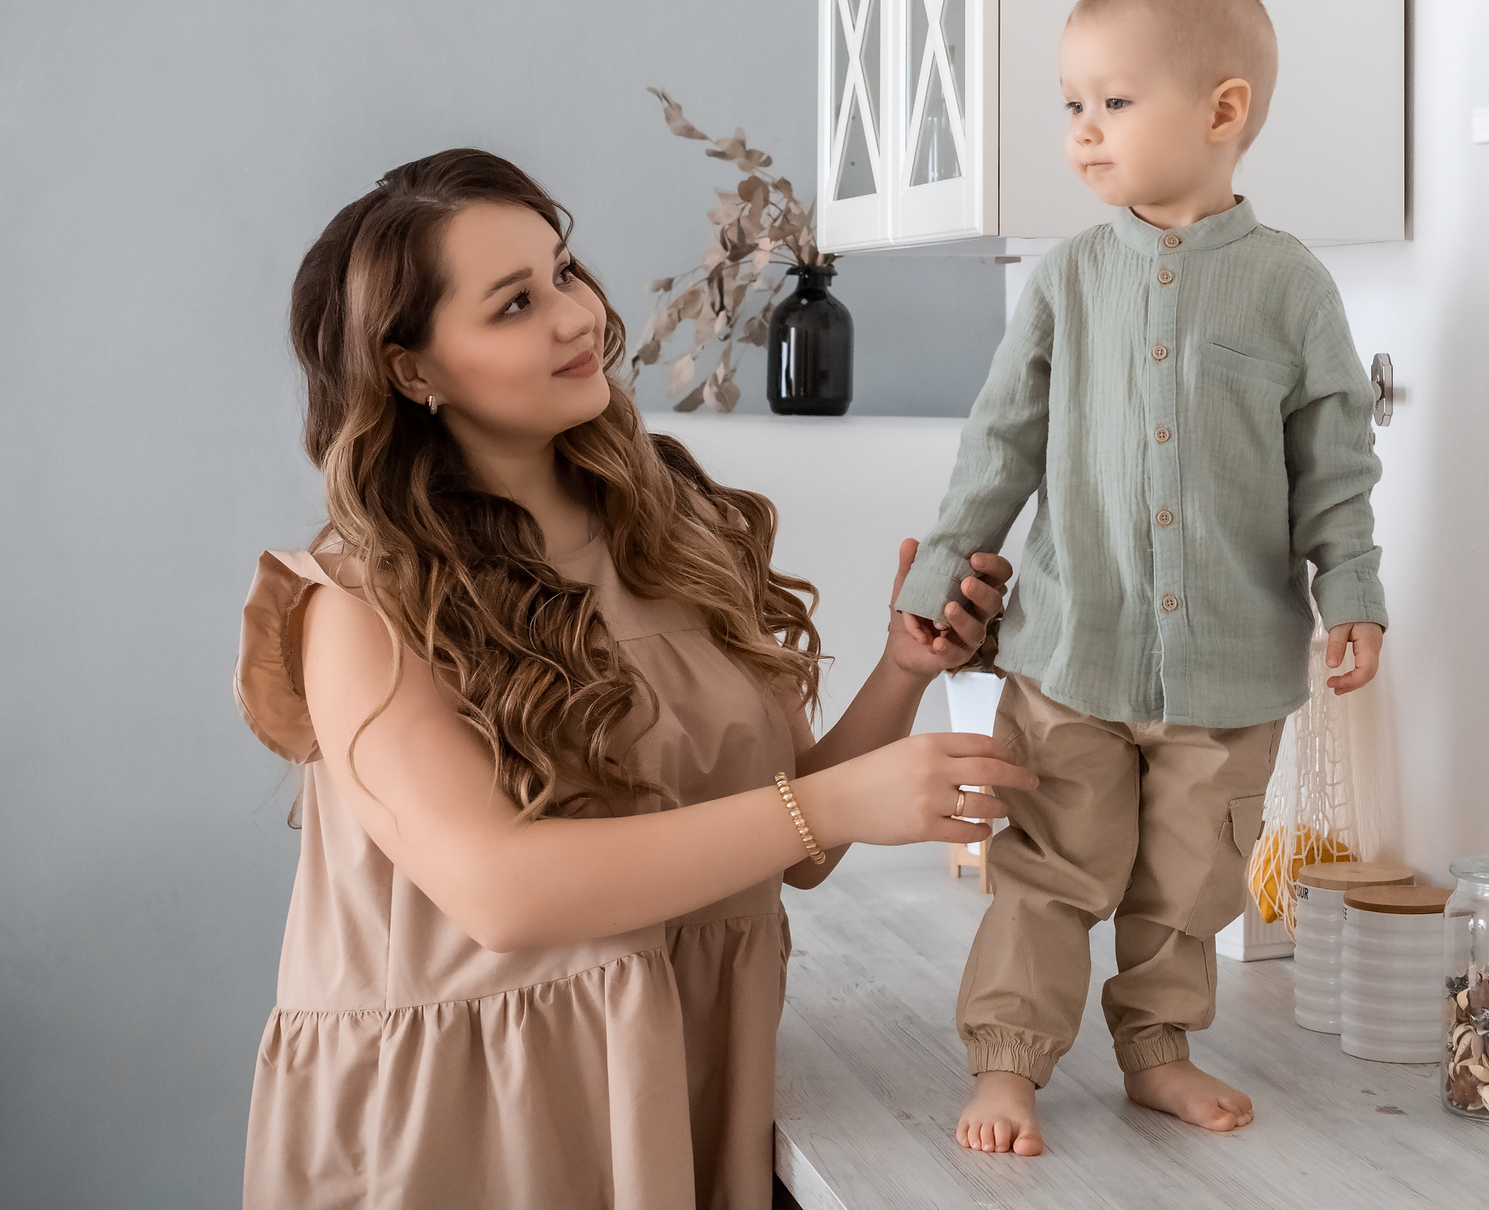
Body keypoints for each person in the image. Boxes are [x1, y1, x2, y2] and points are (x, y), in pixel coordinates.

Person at [235, 149, 1038, 1209]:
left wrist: (903, 670)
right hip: (470, 1122)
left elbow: (792, 840)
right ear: (413, 369)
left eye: (564, 271)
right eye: (515, 303)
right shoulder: (360, 601)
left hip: (676, 1078)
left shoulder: (674, 529)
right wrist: (835, 802)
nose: (577, 316)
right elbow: (501, 890)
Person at [892, 0, 1390, 1157]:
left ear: (1223, 111)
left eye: (1112, 102)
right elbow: (1000, 442)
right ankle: (1007, 1059)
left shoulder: (1291, 287)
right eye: (1072, 103)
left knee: (1190, 882)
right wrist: (938, 574)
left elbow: (1334, 462)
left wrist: (1353, 592)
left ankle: (1158, 1051)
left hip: (1230, 667)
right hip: (1074, 650)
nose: (1083, 130)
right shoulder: (1066, 279)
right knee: (1050, 868)